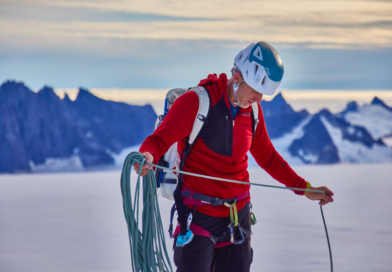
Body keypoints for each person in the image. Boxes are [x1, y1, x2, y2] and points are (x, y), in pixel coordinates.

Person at [133, 41, 334, 272]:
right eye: (256, 91)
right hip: (197, 217)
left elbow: (267, 157)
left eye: (264, 94)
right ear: (237, 78)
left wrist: (304, 188)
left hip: (237, 218)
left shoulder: (253, 112)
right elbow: (159, 140)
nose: (260, 100)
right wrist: (147, 156)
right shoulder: (196, 102)